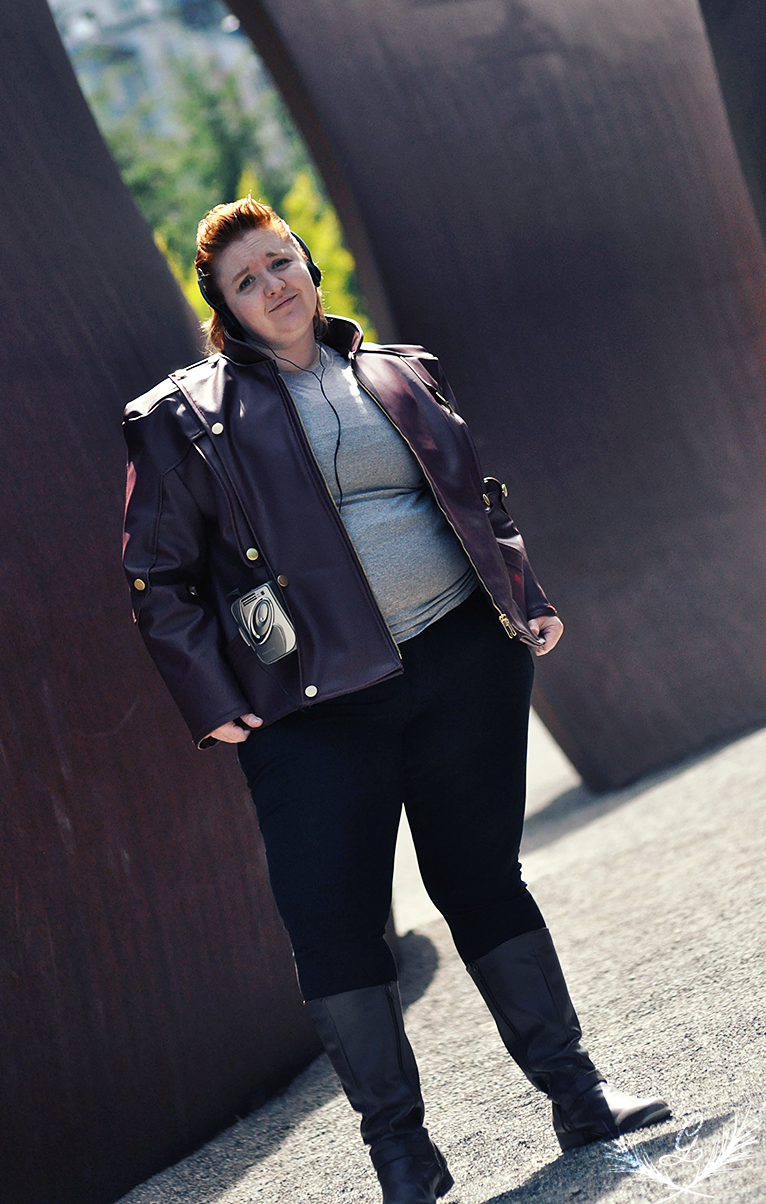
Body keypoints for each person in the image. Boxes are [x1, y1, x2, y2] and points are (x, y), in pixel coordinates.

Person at [122, 198, 669, 1203]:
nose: (273, 286)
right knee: (333, 924)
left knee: (483, 877)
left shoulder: (400, 371)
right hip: (312, 712)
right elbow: (158, 577)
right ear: (223, 307)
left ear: (306, 265)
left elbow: (472, 500)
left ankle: (579, 1094)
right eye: (246, 280)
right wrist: (210, 693)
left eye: (280, 262)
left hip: (463, 666)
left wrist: (523, 600)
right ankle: (403, 1157)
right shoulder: (185, 419)